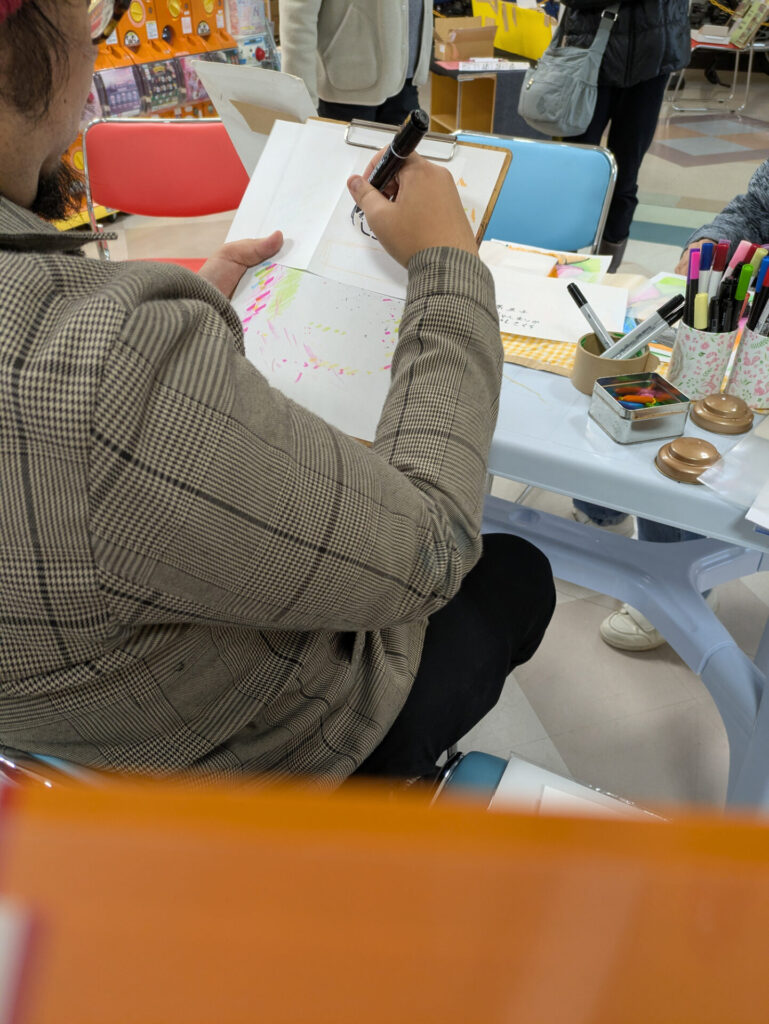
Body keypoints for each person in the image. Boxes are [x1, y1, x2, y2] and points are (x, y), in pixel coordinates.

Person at [0, 0, 555, 785]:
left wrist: (178, 331)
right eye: (89, 9)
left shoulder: (82, 341)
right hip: (251, 752)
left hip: (51, 724)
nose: (98, 42)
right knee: (515, 574)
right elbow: (427, 552)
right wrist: (448, 268)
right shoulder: (98, 363)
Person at [560, 0, 690, 272]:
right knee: (571, 171)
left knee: (625, 177)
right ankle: (560, 263)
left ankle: (607, 273)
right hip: (587, 59)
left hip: (652, 60)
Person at [278, 0, 432, 125]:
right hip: (346, 93)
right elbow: (297, 22)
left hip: (406, 81)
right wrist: (301, 106)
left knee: (405, 154)